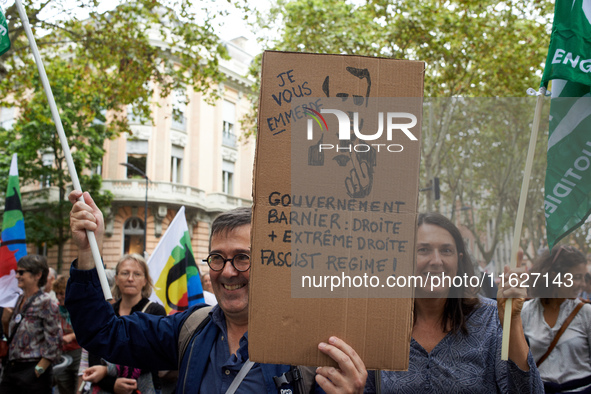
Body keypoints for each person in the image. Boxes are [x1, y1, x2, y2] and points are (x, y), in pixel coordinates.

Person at [66, 190, 367, 393]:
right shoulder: (190, 330)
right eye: (217, 258)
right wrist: (87, 251)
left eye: (242, 257)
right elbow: (100, 332)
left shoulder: (313, 348)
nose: (227, 271)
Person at [365, 212, 543, 393]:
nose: (436, 261)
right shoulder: (381, 326)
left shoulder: (492, 321)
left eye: (446, 250)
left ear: (459, 260)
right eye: (423, 250)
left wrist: (512, 322)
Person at [80, 253, 166, 394]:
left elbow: (154, 356)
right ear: (116, 279)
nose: (130, 279)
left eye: (137, 274)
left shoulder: (155, 312)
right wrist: (111, 384)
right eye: (125, 273)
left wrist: (108, 370)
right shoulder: (106, 313)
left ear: (145, 280)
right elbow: (94, 354)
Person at [521, 245, 591, 393]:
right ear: (554, 276)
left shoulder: (587, 312)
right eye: (577, 277)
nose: (583, 284)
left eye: (583, 278)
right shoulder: (525, 312)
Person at [0, 254, 62, 394]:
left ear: (37, 275)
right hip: (12, 368)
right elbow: (11, 337)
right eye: (17, 272)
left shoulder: (46, 302)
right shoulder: (19, 300)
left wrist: (37, 371)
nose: (17, 276)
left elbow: (55, 342)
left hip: (33, 372)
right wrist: (5, 322)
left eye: (21, 272)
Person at [53, 275, 83, 394]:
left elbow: (87, 330)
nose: (59, 297)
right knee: (63, 387)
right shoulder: (56, 308)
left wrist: (72, 336)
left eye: (62, 293)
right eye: (56, 294)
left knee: (78, 388)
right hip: (62, 353)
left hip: (78, 353)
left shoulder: (80, 308)